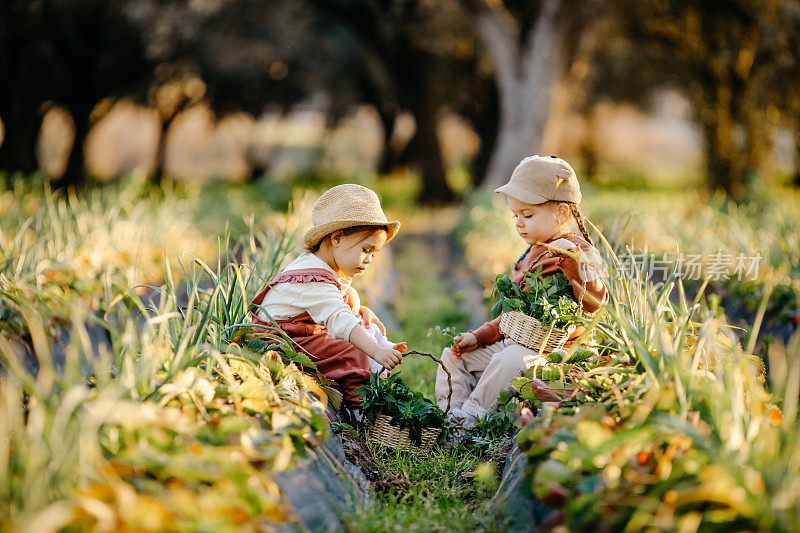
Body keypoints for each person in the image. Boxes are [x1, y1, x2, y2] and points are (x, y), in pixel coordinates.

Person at [435, 155, 608, 430]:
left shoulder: (578, 251)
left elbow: (596, 300)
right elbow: (514, 314)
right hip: (516, 344)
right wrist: (479, 336)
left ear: (562, 213)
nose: (519, 223)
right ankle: (450, 416)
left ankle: (470, 418)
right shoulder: (531, 252)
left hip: (553, 354)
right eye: (515, 215)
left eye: (527, 215)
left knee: (509, 358)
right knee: (454, 357)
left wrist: (572, 262)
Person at [249, 184, 403, 408]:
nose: (369, 260)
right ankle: (362, 408)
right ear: (337, 239)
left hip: (300, 331)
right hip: (280, 340)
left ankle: (374, 366)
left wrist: (360, 309)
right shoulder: (314, 280)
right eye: (365, 250)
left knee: (355, 309)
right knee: (352, 352)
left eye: (374, 253)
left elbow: (338, 303)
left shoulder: (322, 267)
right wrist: (375, 351)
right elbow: (339, 319)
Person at [344, 286, 407, 377]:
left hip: (377, 364)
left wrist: (393, 346)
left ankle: (381, 384)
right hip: (356, 367)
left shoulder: (368, 324)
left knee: (380, 378)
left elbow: (381, 342)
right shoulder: (341, 327)